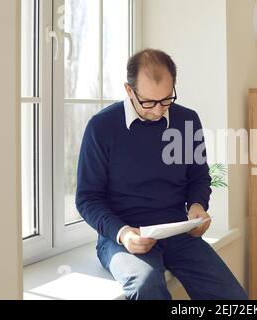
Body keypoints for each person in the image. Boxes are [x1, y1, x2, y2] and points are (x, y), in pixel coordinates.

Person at [75, 48, 247, 300]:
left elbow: (198, 176)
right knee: (146, 287)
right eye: (148, 102)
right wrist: (123, 233)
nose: (158, 110)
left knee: (232, 297)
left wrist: (198, 205)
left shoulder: (187, 120)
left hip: (177, 231)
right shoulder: (101, 127)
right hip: (123, 236)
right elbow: (87, 198)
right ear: (129, 90)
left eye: (166, 100)